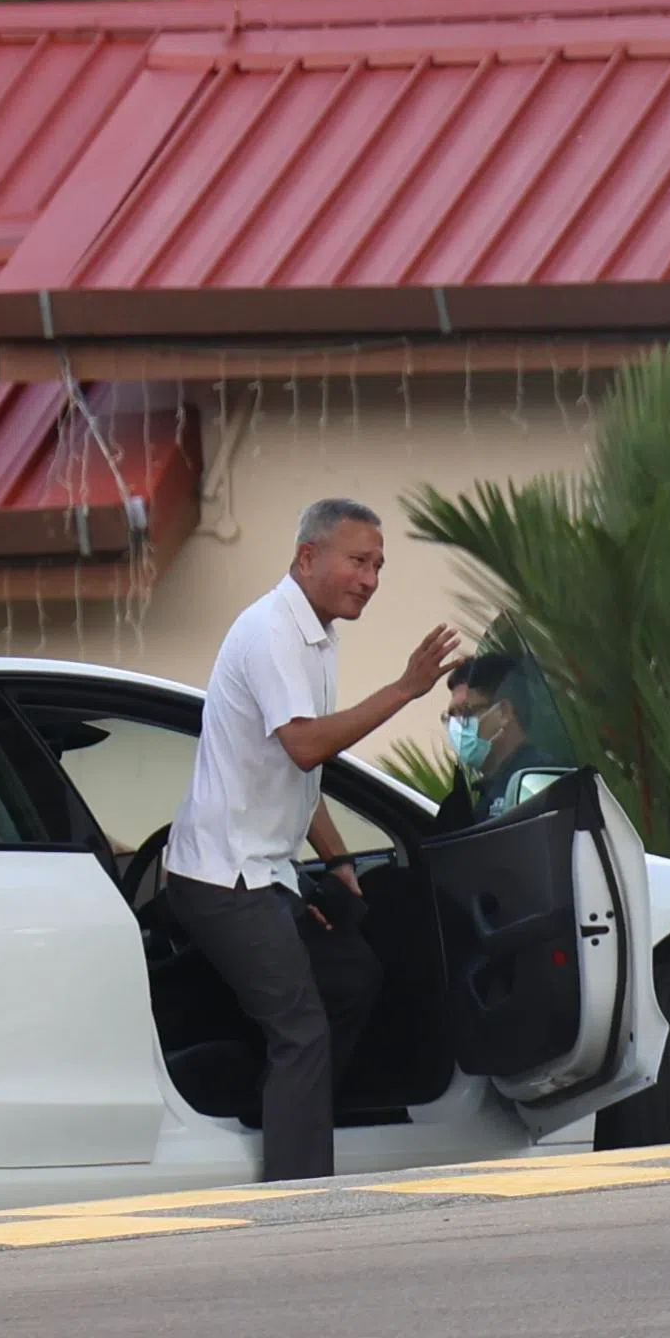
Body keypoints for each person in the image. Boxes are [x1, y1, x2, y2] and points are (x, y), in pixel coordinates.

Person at [163, 498, 460, 1180]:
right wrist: (407, 688)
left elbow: (303, 774)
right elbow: (302, 746)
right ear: (307, 558)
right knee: (300, 1030)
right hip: (224, 877)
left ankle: (284, 1113)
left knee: (352, 977)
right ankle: (296, 1194)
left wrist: (336, 861)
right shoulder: (273, 631)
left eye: (379, 566)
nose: (370, 580)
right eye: (358, 562)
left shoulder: (316, 635)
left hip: (267, 873)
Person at [445, 652, 554, 818]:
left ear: (503, 713)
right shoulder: (480, 793)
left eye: (466, 713)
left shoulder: (538, 782)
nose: (457, 726)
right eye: (451, 716)